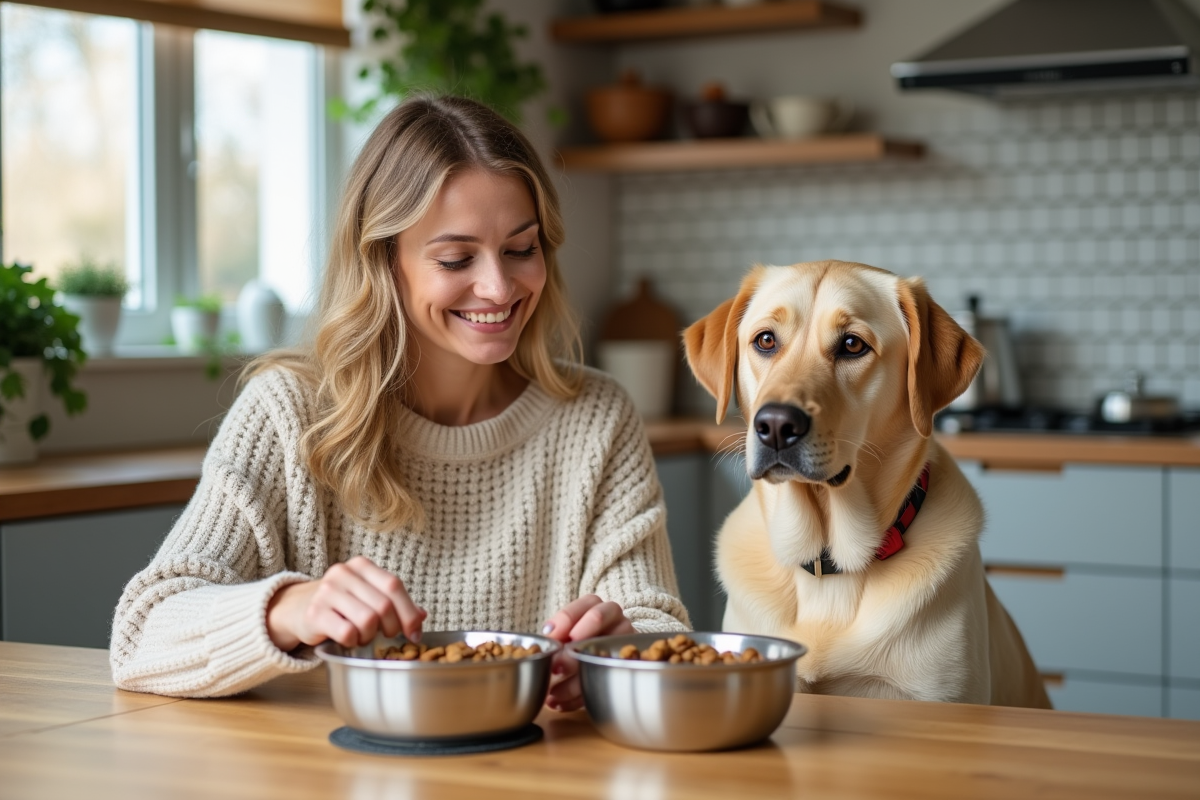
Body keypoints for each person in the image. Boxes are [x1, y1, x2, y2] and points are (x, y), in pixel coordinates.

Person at [109, 95, 689, 709]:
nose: (498, 286)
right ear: (386, 260)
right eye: (455, 258)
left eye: (521, 249)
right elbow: (142, 636)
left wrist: (623, 652)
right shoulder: (289, 412)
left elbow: (658, 625)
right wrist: (289, 608)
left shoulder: (598, 417)